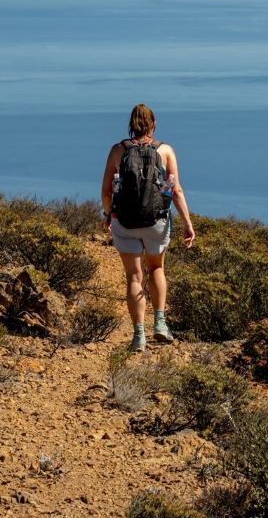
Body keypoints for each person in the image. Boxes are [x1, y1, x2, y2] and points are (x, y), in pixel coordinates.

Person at [101, 104, 196, 353]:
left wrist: (108, 213)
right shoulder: (165, 150)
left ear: (131, 123)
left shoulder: (117, 150)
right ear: (153, 124)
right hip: (156, 222)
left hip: (125, 222)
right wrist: (188, 224)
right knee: (156, 268)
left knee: (134, 277)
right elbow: (176, 191)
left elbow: (106, 191)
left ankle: (138, 336)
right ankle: (160, 325)